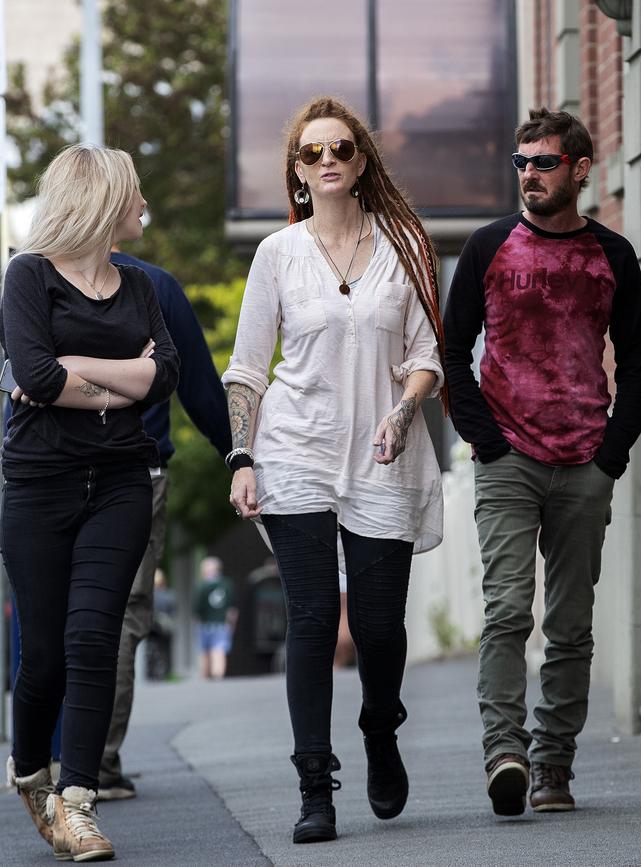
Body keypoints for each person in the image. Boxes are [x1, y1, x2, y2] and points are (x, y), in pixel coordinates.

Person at [223, 96, 446, 844]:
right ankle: (315, 786)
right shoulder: (276, 256)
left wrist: (404, 410)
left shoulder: (406, 245)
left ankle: (380, 726)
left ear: (360, 163)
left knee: (380, 629)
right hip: (297, 449)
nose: (327, 161)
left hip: (385, 451)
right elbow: (247, 370)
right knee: (313, 619)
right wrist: (244, 455)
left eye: (340, 149)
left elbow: (425, 356)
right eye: (312, 152)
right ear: (296, 170)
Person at [443, 108, 641, 818]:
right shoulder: (488, 246)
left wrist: (611, 454)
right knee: (506, 609)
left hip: (584, 459)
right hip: (508, 458)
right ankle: (505, 750)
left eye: (544, 162)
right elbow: (452, 355)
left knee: (570, 622)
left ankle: (553, 763)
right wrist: (488, 441)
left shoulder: (613, 257)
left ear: (581, 170)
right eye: (521, 163)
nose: (529, 174)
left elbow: (640, 361)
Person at [1, 144, 179, 861]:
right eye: (134, 194)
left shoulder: (138, 285)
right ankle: (29, 774)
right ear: (100, 199)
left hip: (120, 479)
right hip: (39, 484)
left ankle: (78, 801)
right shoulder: (27, 276)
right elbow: (36, 376)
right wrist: (118, 378)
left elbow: (163, 374)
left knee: (92, 636)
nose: (144, 207)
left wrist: (77, 369)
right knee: (43, 655)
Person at [97, 248, 231, 801]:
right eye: (135, 199)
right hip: (136, 472)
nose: (146, 208)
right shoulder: (155, 285)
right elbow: (199, 389)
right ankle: (97, 763)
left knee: (56, 612)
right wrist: (241, 455)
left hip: (49, 472)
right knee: (122, 614)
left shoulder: (34, 278)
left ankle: (47, 754)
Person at [193, 556, 238, 680]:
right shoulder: (227, 584)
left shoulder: (202, 586)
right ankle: (218, 677)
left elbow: (197, 609)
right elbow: (232, 610)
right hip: (222, 624)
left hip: (205, 623)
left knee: (204, 652)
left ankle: (205, 678)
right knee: (219, 651)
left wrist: (196, 623)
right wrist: (232, 625)